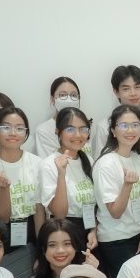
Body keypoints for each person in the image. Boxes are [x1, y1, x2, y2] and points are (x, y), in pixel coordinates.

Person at [0, 106, 44, 278]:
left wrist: (42, 250)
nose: (13, 133)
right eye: (6, 127)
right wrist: (4, 189)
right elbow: (2, 217)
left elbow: (39, 210)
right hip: (2, 235)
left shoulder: (37, 163)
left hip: (32, 231)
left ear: (26, 133)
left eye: (20, 128)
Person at [93, 105, 140, 278]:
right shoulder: (107, 163)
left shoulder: (138, 159)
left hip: (138, 234)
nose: (130, 130)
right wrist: (127, 185)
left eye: (135, 125)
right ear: (113, 130)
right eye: (124, 125)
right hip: (116, 240)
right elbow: (115, 212)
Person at [38, 107, 98, 252]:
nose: (78, 135)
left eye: (83, 129)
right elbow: (59, 214)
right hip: (64, 234)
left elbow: (93, 203)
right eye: (70, 129)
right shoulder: (48, 164)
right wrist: (61, 174)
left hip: (89, 232)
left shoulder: (88, 160)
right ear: (58, 131)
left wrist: (93, 230)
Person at [36, 77, 89, 158]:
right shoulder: (44, 130)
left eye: (73, 95)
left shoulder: (84, 126)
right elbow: (49, 161)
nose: (69, 99)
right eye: (63, 95)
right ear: (52, 99)